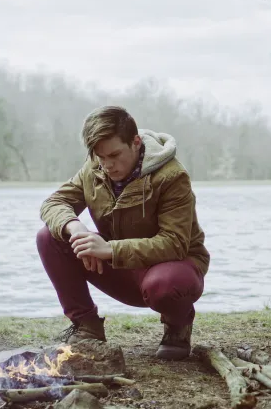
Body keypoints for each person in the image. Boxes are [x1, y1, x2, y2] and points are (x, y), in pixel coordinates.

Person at [36, 105, 210, 361]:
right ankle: (87, 327)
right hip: (122, 267)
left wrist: (109, 249)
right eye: (100, 156)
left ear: (136, 142)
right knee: (49, 237)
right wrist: (76, 228)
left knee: (165, 286)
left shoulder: (173, 176)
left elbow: (175, 243)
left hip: (170, 270)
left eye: (115, 155)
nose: (108, 165)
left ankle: (177, 324)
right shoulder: (94, 167)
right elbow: (53, 204)